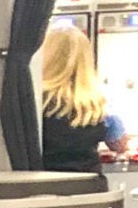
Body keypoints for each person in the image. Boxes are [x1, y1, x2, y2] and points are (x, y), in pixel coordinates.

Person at [36, 25, 125, 172]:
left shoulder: (35, 100)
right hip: (90, 189)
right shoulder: (98, 104)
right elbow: (119, 145)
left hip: (44, 188)